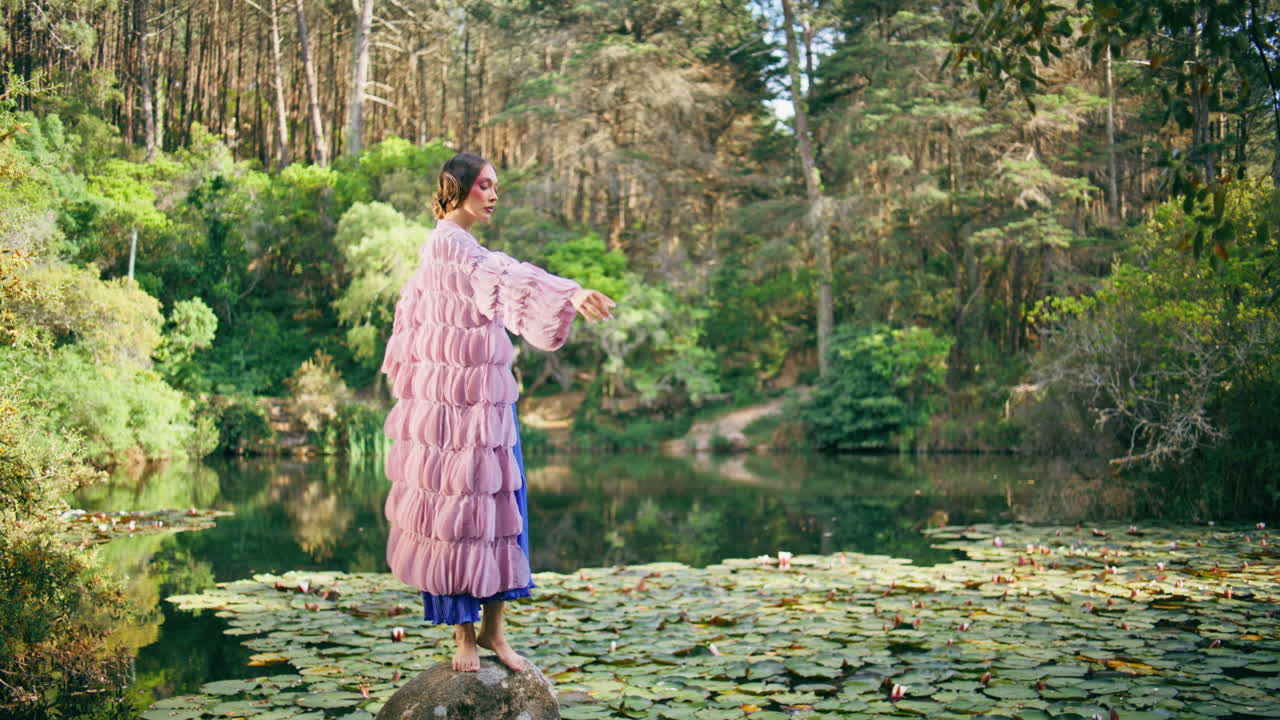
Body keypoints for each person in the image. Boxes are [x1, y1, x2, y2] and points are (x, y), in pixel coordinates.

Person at [379, 153, 615, 673]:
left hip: (484, 409)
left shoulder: (460, 250)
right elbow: (504, 278)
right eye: (484, 185)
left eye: (496, 187)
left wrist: (571, 295)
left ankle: (493, 633)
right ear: (456, 188)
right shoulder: (450, 248)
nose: (492, 194)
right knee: (458, 519)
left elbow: (508, 280)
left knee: (500, 513)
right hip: (448, 416)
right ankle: (466, 637)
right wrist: (571, 294)